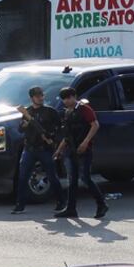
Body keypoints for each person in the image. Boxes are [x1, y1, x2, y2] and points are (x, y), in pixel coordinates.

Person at [54, 87, 108, 219]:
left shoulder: (84, 109)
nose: (66, 101)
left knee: (85, 178)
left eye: (68, 97)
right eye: (64, 99)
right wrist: (59, 150)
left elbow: (95, 125)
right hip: (70, 150)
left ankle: (101, 204)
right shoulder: (66, 113)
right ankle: (71, 209)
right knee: (72, 180)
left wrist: (85, 142)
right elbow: (67, 135)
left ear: (74, 96)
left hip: (84, 149)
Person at [12, 86, 64, 214]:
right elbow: (21, 129)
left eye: (41, 95)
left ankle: (61, 202)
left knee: (52, 176)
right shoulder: (27, 112)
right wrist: (25, 123)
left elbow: (60, 128)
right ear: (32, 98)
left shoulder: (50, 112)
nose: (40, 98)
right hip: (29, 148)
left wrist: (54, 140)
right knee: (23, 177)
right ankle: (20, 205)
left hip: (45, 149)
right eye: (37, 96)